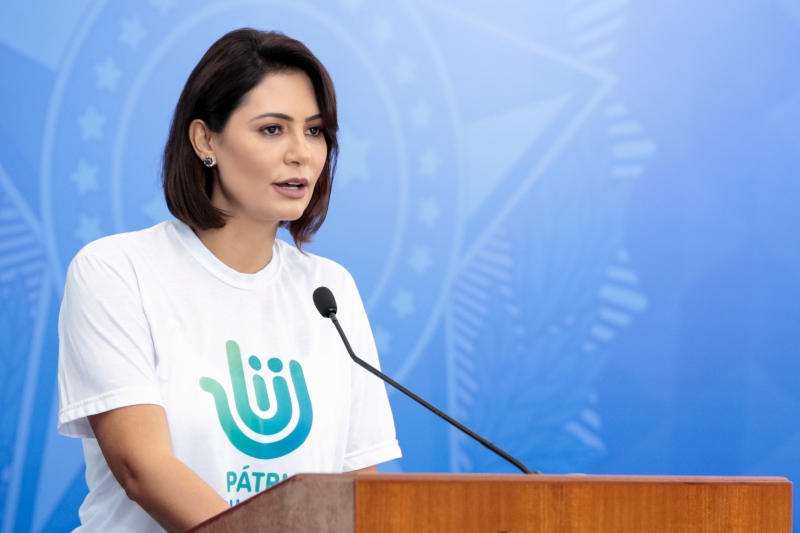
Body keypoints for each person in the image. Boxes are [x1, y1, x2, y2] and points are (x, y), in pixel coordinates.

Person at [57, 28, 401, 532]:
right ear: (205, 140)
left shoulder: (330, 291)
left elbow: (356, 486)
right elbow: (142, 468)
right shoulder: (117, 270)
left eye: (315, 131)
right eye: (272, 129)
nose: (302, 153)